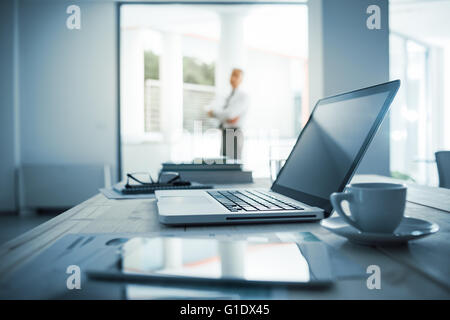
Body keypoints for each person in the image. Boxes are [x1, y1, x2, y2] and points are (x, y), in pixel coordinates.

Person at [208, 68, 249, 160]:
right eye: (232, 75)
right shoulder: (227, 95)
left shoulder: (243, 96)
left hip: (234, 133)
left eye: (236, 76)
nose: (233, 78)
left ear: (241, 79)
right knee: (224, 163)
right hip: (225, 132)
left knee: (233, 165)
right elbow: (213, 112)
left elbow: (231, 116)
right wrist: (223, 115)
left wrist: (215, 113)